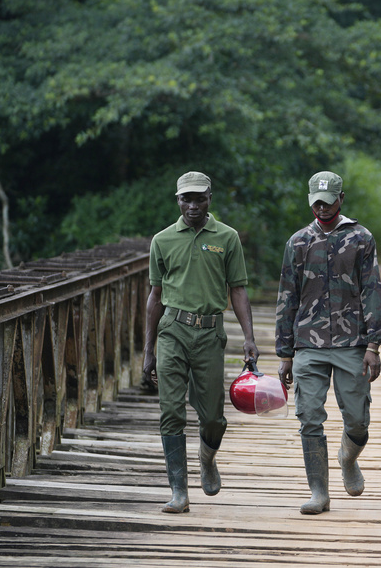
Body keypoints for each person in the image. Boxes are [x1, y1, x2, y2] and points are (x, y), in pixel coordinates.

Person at [143, 171, 259, 514]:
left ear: (210, 199)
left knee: (213, 418)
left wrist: (249, 338)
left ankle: (207, 458)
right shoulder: (162, 240)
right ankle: (179, 491)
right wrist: (148, 351)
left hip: (209, 333)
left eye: (199, 199)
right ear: (177, 200)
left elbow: (238, 289)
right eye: (186, 199)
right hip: (172, 332)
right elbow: (155, 296)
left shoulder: (227, 237)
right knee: (171, 411)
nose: (192, 206)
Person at [276, 170, 381, 515]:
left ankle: (348, 458)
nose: (322, 208)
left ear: (342, 199)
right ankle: (319, 493)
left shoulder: (361, 238)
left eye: (329, 201)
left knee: (357, 420)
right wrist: (284, 354)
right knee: (309, 416)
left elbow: (372, 290)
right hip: (308, 343)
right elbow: (287, 296)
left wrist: (373, 345)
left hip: (351, 342)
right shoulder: (297, 242)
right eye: (316, 203)